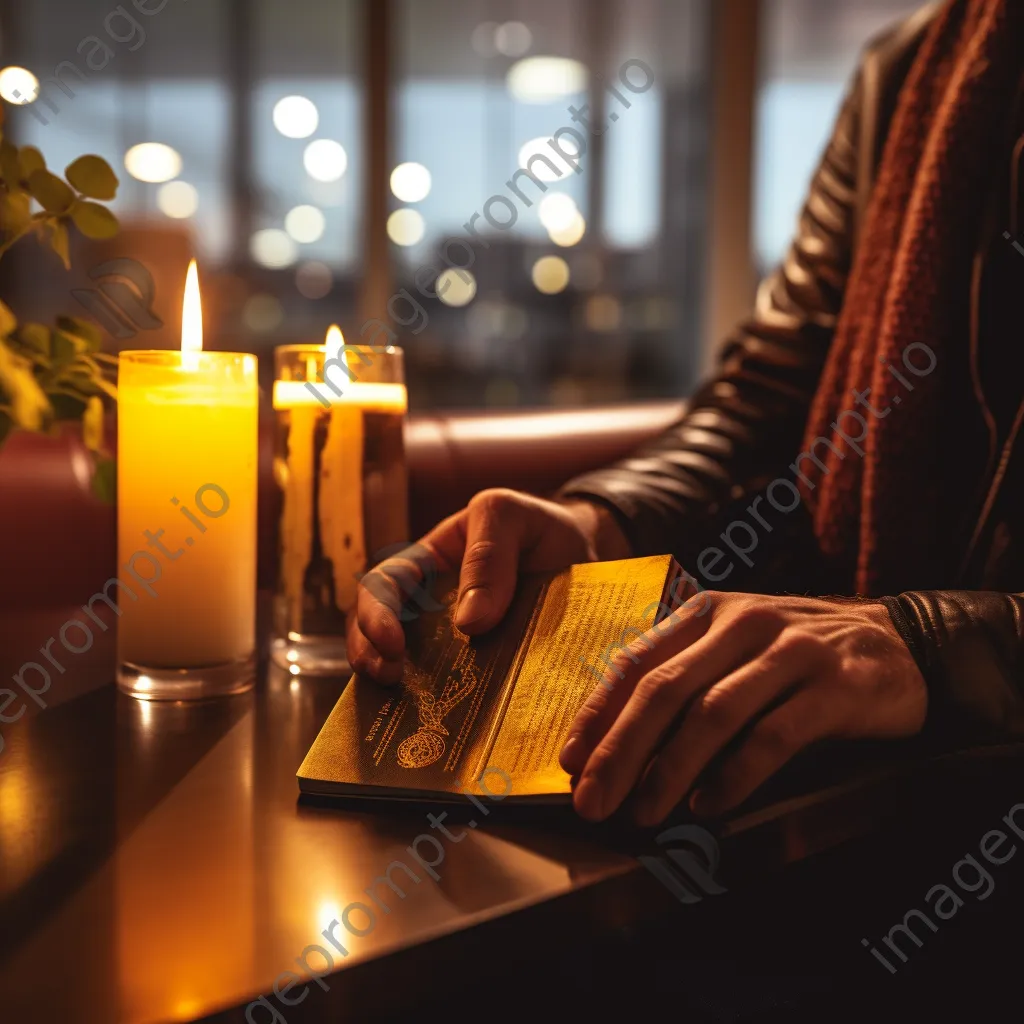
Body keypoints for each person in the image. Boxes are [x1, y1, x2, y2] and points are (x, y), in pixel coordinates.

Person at [349, 0, 1024, 826]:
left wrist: (935, 647)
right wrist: (597, 522)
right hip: (866, 782)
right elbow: (767, 402)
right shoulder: (912, 67)